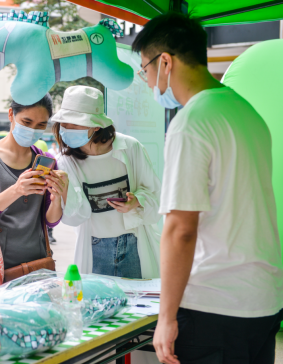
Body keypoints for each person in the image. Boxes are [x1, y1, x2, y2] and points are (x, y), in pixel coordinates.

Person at [132, 12, 283, 364]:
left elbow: (181, 228)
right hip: (263, 303)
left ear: (165, 62)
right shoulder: (246, 113)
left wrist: (166, 318)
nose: (148, 80)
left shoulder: (192, 121)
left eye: (145, 70)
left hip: (212, 309)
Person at [53, 86, 161, 279]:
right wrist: (63, 192)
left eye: (75, 125)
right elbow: (74, 217)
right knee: (97, 304)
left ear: (96, 126)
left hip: (132, 244)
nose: (67, 130)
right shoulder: (66, 161)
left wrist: (136, 201)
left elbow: (155, 194)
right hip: (94, 247)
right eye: (64, 124)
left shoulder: (130, 147)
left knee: (136, 304)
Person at [0, 94, 67, 270]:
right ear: (11, 114)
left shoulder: (47, 160)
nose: (33, 129)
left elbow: (51, 221)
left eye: (41, 125)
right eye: (26, 122)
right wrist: (16, 190)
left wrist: (58, 198)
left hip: (38, 264)